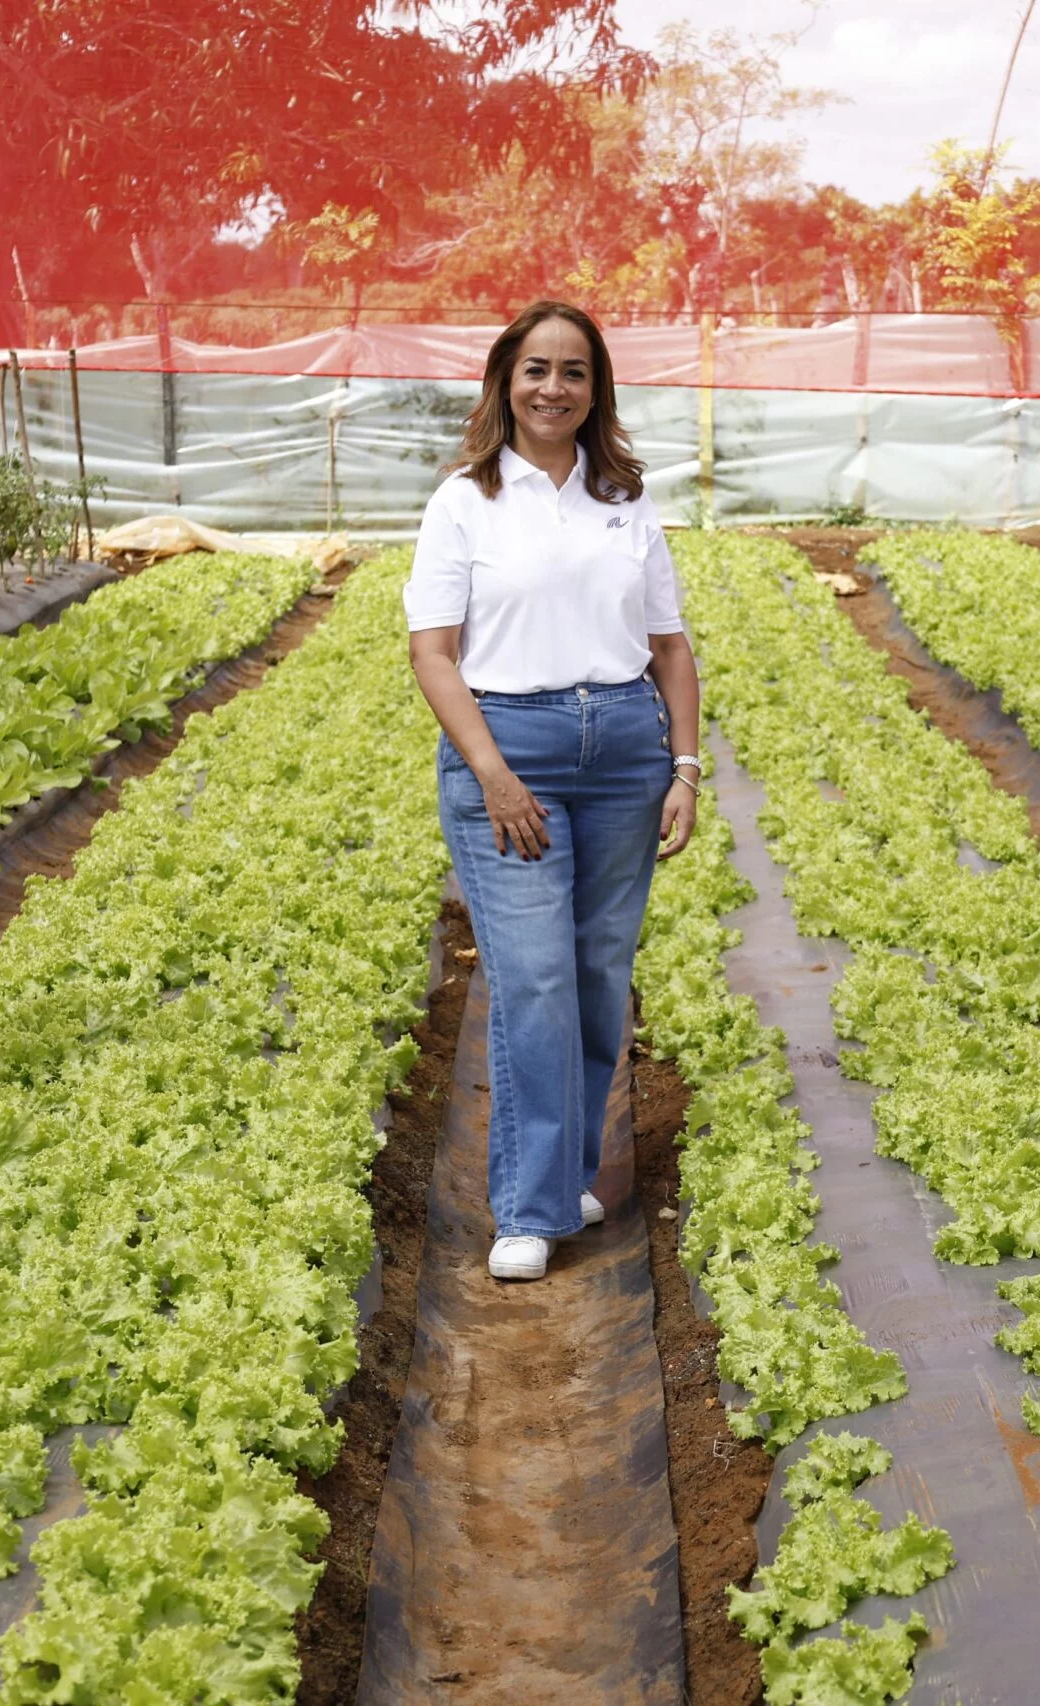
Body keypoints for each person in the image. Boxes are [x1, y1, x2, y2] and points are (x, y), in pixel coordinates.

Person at [404, 300, 703, 1283]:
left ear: (593, 388)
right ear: (505, 380)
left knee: (592, 973)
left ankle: (567, 1170)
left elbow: (669, 647)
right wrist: (491, 772)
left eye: (572, 372)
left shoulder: (623, 497)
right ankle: (529, 1206)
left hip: (622, 749)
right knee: (530, 975)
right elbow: (432, 652)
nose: (552, 388)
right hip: (512, 746)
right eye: (535, 369)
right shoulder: (464, 499)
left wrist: (685, 767)